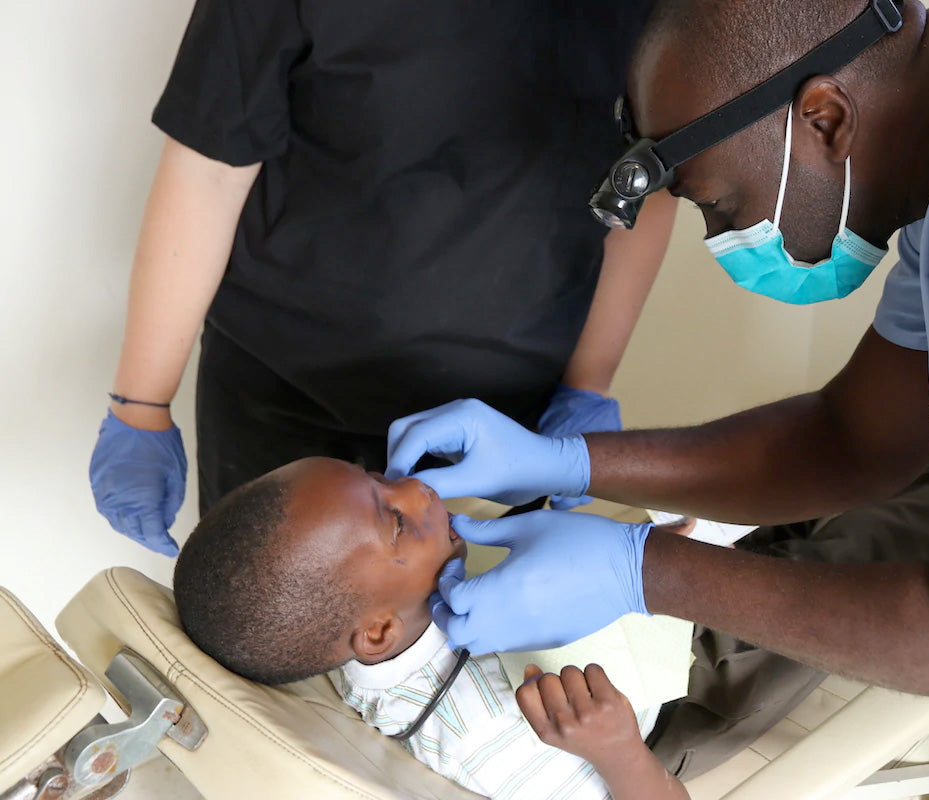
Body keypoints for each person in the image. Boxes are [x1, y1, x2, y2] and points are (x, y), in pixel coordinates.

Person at [382, 0, 929, 797]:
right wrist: (572, 460)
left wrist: (643, 570)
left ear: (824, 120)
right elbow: (853, 440)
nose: (718, 239)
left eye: (719, 206)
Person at [87, 1, 677, 556]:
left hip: (505, 426)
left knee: (462, 653)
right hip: (279, 399)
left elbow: (650, 181)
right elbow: (211, 164)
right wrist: (141, 403)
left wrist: (588, 385)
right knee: (271, 643)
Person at [173, 456, 689, 800]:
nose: (418, 488)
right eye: (395, 520)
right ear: (377, 633)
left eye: (377, 477)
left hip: (649, 597)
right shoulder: (488, 733)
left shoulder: (401, 608)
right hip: (676, 707)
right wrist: (618, 751)